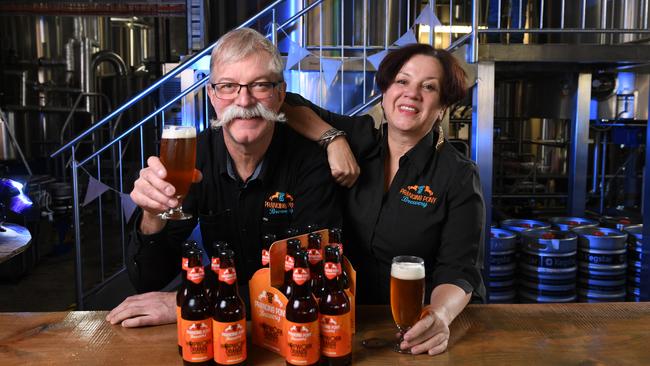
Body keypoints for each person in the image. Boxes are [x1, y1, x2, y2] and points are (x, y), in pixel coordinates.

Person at [106, 28, 340, 328]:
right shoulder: (193, 156)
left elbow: (312, 281)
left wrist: (196, 298)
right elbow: (148, 279)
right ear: (212, 95)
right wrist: (152, 217)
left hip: (294, 331)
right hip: (219, 332)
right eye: (228, 86)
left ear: (280, 94)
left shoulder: (309, 162)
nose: (243, 101)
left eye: (259, 86)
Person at [282, 44, 486, 356]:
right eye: (402, 81)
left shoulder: (456, 175)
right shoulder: (357, 137)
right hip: (342, 323)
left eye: (428, 87)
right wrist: (332, 138)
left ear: (442, 106)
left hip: (415, 330)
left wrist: (440, 316)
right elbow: (285, 103)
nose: (412, 93)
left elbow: (459, 269)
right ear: (384, 93)